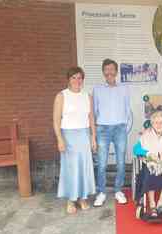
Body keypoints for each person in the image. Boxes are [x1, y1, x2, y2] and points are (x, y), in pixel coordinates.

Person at [53, 66, 97, 214]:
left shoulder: (87, 96)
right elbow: (56, 120)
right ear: (68, 79)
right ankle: (71, 200)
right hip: (68, 136)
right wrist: (59, 139)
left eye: (80, 78)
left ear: (83, 80)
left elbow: (91, 118)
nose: (77, 80)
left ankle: (82, 198)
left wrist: (93, 137)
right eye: (74, 78)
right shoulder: (61, 96)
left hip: (84, 135)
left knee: (84, 168)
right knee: (70, 169)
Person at [93, 59, 131, 207]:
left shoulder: (124, 88)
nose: (109, 72)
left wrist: (125, 126)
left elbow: (127, 109)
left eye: (112, 69)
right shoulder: (97, 89)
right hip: (103, 129)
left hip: (120, 128)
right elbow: (95, 111)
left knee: (121, 163)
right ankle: (101, 192)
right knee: (101, 164)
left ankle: (118, 190)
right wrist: (95, 131)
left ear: (116, 71)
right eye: (106, 69)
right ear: (103, 72)